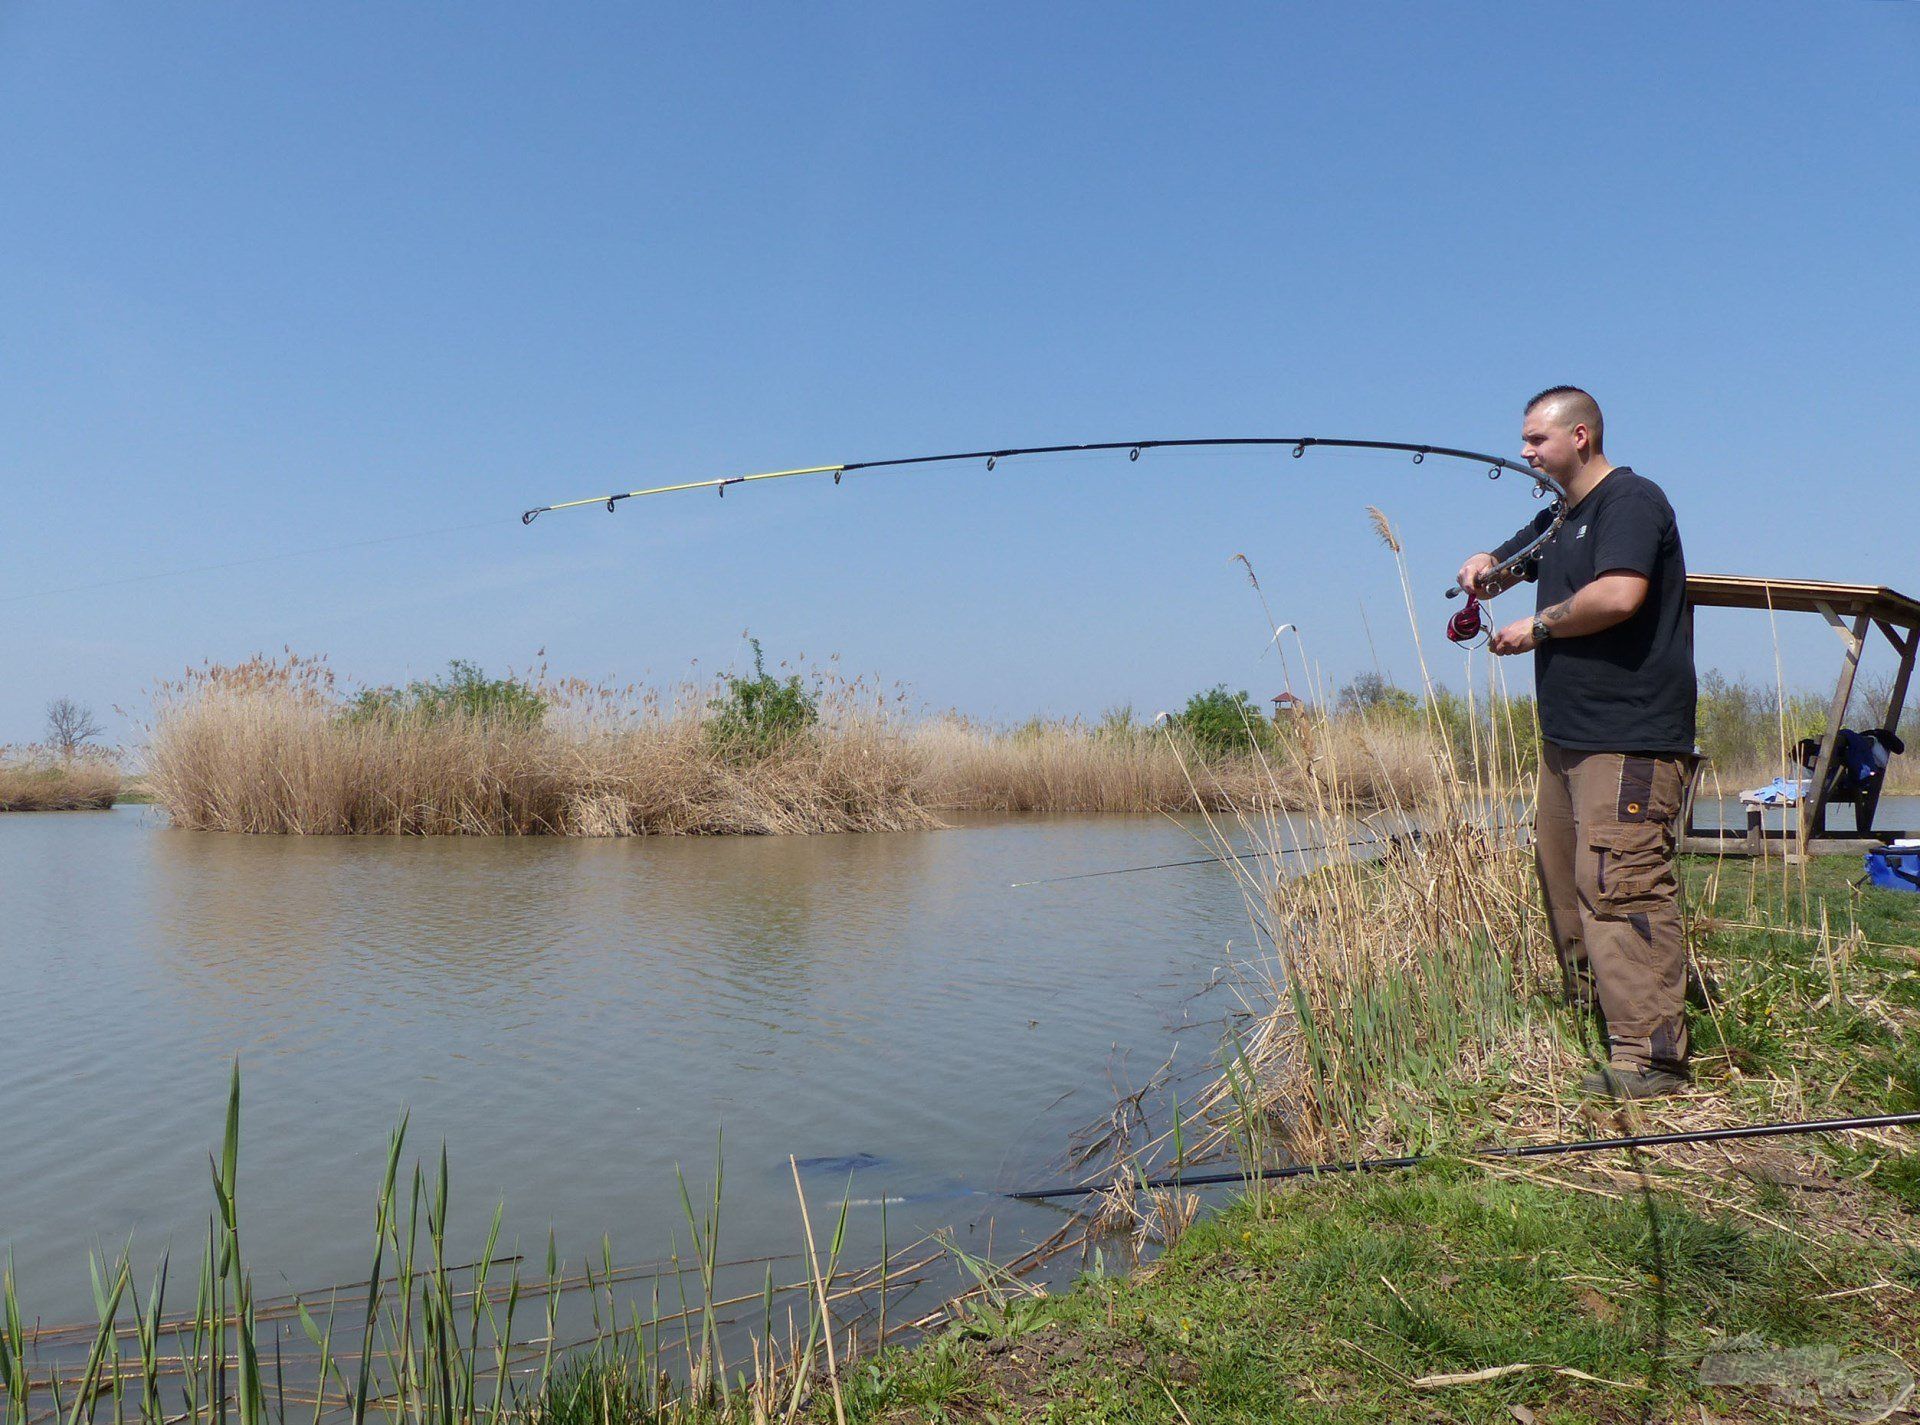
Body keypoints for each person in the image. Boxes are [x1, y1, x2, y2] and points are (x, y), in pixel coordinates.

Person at [1456, 387, 1697, 1099]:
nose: (1525, 451)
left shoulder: (1632, 502)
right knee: (1566, 883)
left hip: (1627, 739)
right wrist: (1483, 566)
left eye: (1535, 439)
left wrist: (1539, 626)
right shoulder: (1562, 516)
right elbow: (1515, 558)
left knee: (1621, 884)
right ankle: (1600, 1019)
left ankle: (1653, 1058)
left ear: (1581, 436)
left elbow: (1619, 594)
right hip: (1566, 740)